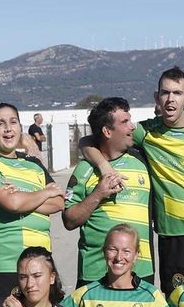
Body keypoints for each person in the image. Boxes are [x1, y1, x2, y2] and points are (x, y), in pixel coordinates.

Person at [81, 67, 184, 292]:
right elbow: (88, 140)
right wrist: (104, 166)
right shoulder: (147, 132)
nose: (170, 99)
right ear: (157, 97)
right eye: (165, 92)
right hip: (171, 236)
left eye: (177, 93)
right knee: (176, 300)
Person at [0, 103, 65, 307]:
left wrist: (25, 196)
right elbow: (12, 203)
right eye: (0, 123)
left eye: (13, 122)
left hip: (40, 259)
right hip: (4, 262)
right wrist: (43, 194)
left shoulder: (34, 164)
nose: (8, 128)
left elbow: (58, 202)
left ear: (20, 127)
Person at [63, 97, 154, 284]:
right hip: (95, 275)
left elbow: (85, 141)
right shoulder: (84, 170)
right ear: (107, 131)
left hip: (141, 273)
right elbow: (69, 220)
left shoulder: (143, 159)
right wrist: (98, 194)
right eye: (124, 122)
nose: (132, 127)